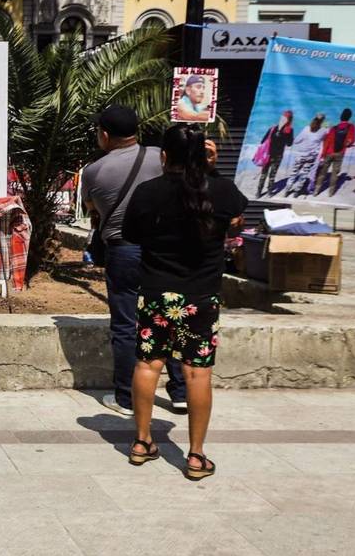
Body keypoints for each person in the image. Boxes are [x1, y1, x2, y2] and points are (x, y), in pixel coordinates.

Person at [123, 123, 247, 480]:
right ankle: (195, 457)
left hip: (155, 293)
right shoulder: (221, 189)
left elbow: (131, 235)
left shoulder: (148, 192)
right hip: (200, 297)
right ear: (204, 155)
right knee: (197, 372)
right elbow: (235, 220)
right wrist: (212, 168)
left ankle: (141, 443)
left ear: (164, 156)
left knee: (148, 366)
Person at [81, 105, 186, 416]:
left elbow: (92, 208)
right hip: (165, 249)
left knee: (126, 324)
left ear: (104, 134)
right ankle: (180, 391)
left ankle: (126, 398)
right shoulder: (160, 157)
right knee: (171, 316)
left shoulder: (94, 171)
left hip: (123, 249)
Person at [285, 113, 327, 198]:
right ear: (322, 121)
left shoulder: (306, 128)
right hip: (311, 156)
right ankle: (297, 192)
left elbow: (296, 141)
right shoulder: (323, 131)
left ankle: (287, 190)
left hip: (300, 155)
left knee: (294, 173)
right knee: (303, 175)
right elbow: (325, 138)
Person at [315, 108, 355, 197]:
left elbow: (327, 142)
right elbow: (351, 141)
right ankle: (331, 192)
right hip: (340, 153)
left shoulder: (334, 128)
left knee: (323, 172)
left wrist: (323, 154)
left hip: (329, 152)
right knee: (335, 173)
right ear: (349, 117)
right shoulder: (351, 127)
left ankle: (316, 190)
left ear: (341, 117)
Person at [257, 111, 294, 198]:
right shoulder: (289, 130)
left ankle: (258, 193)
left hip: (267, 155)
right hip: (278, 156)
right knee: (272, 175)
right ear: (290, 120)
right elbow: (289, 144)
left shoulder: (272, 128)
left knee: (263, 174)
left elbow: (262, 141)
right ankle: (269, 192)